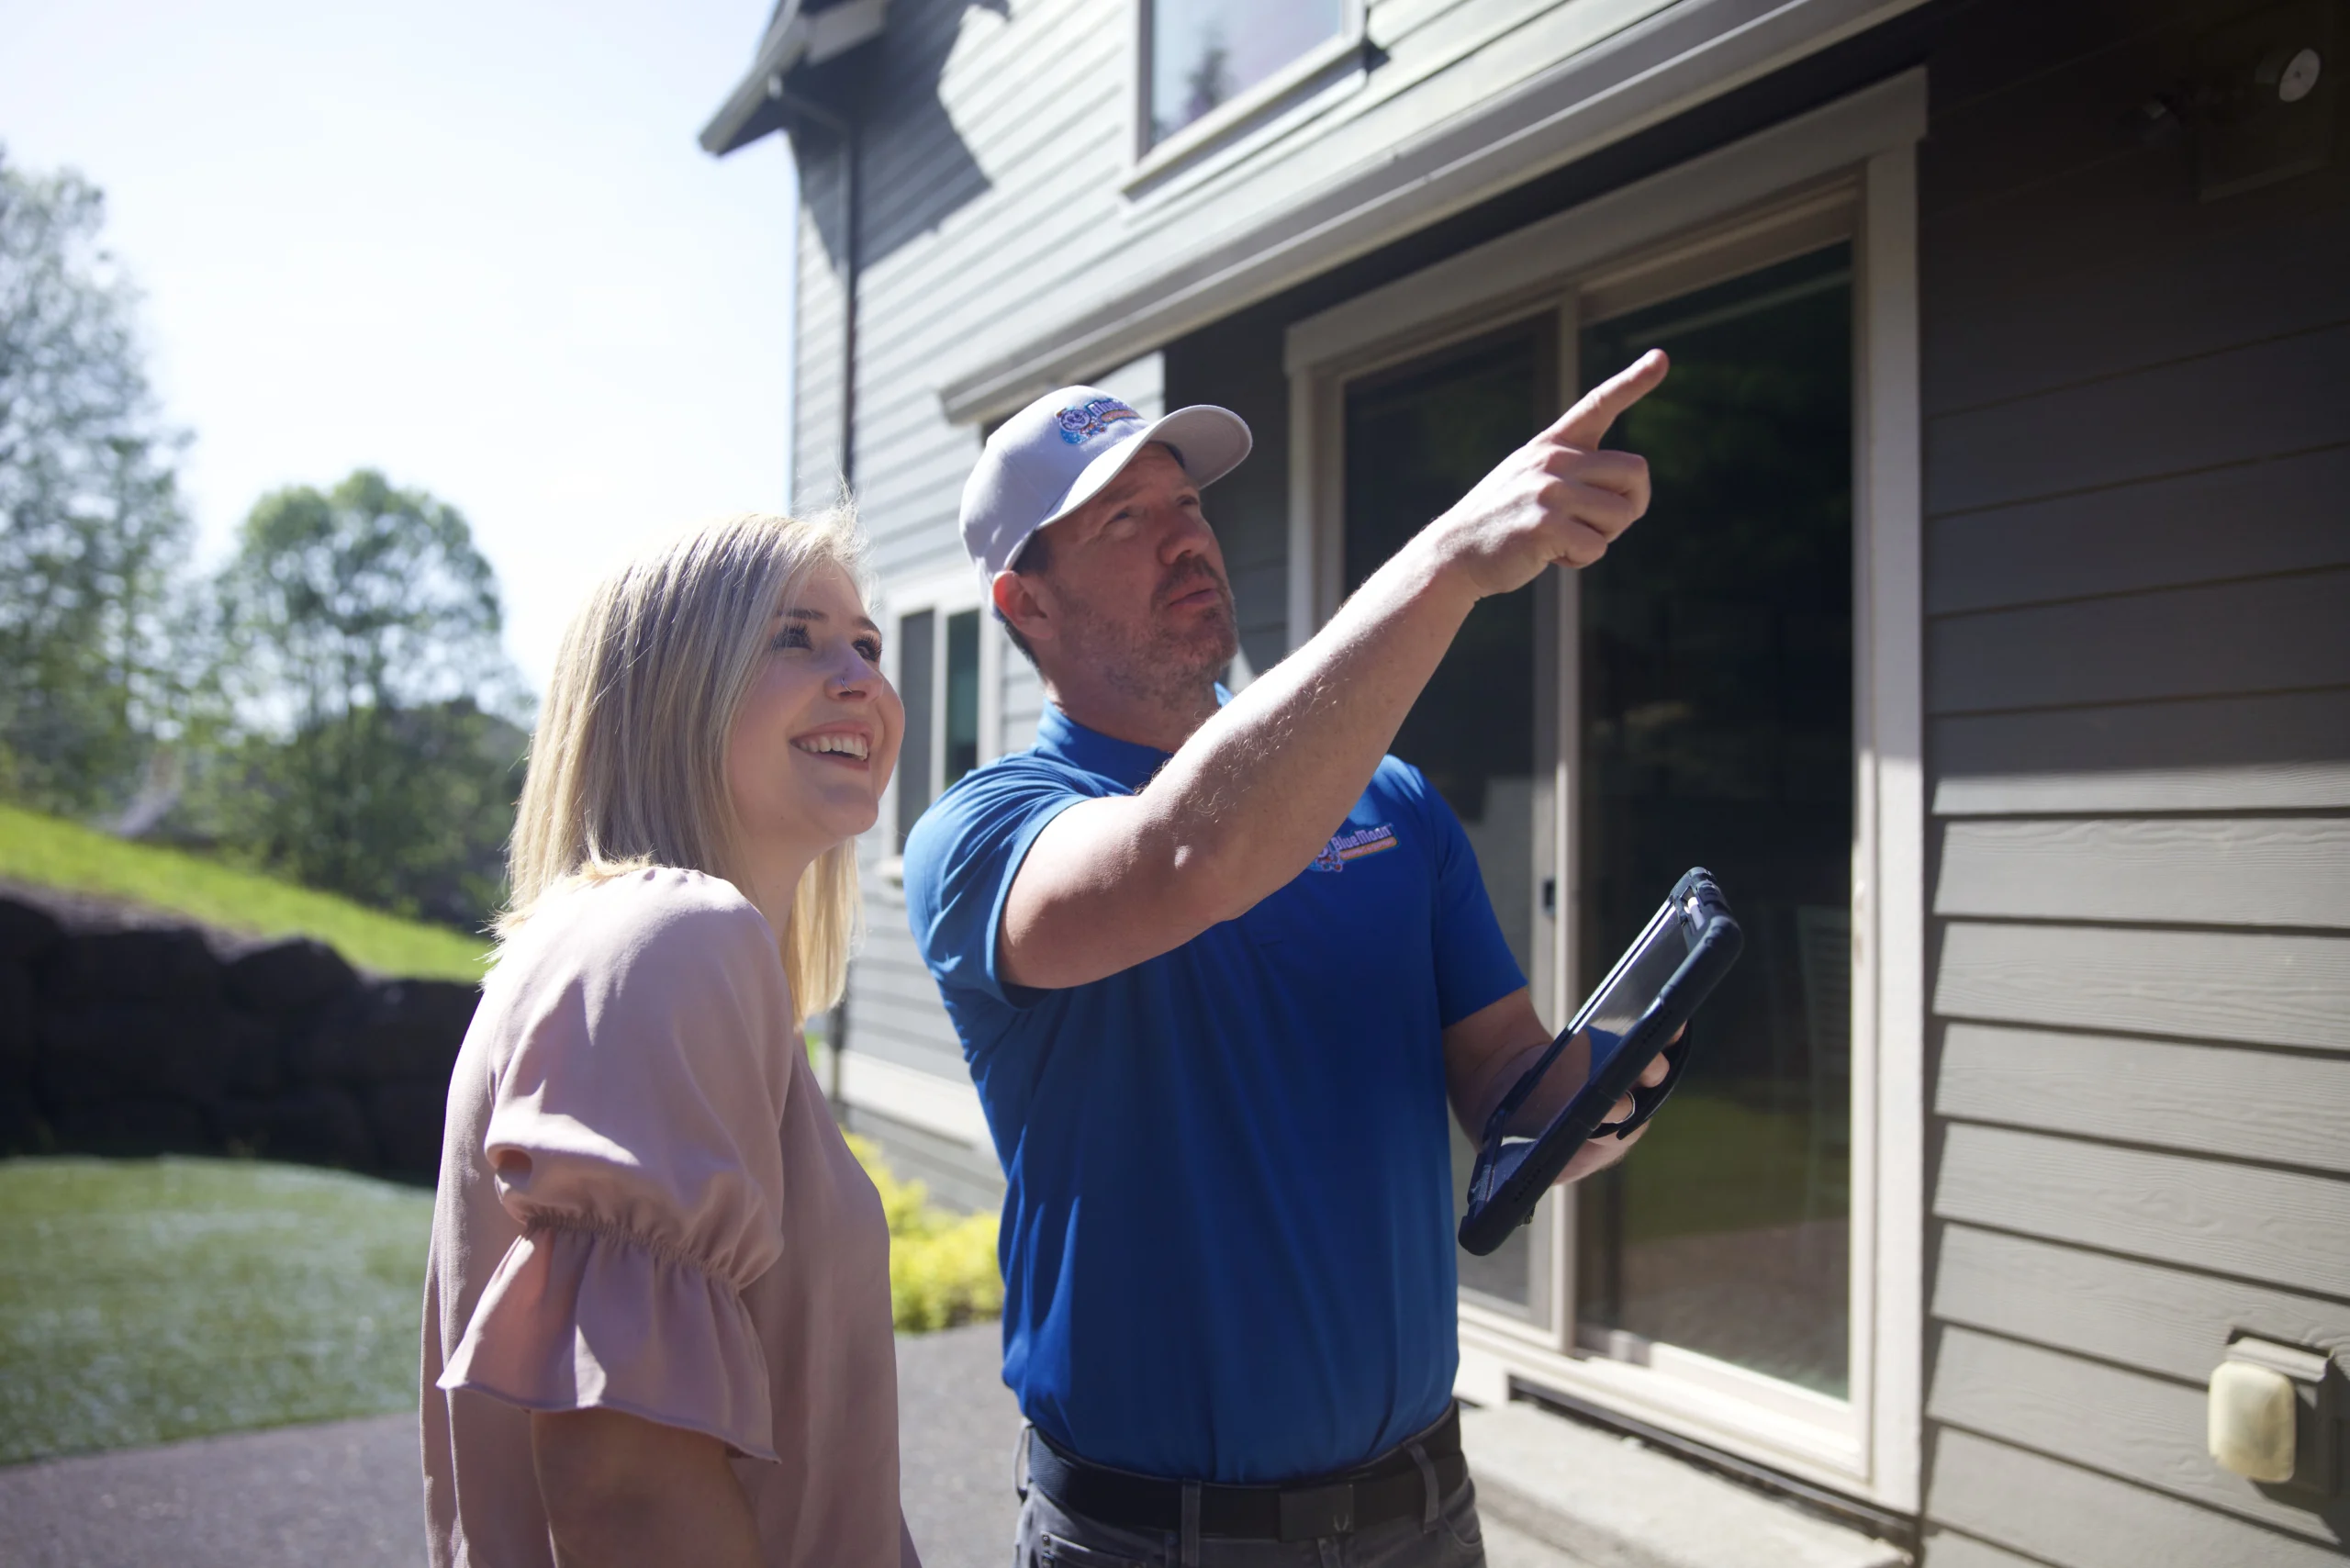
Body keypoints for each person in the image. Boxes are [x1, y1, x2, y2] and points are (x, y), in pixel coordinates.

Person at [903, 353, 1675, 1565]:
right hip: (1151, 1540)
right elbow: (1185, 856)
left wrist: (1589, 1100)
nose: (1184, 541)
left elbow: (1503, 1077)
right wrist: (1445, 565)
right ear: (1024, 606)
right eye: (1123, 519)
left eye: (1189, 506)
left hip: (1424, 1514)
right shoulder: (987, 832)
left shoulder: (1395, 801)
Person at [420, 510, 919, 1568]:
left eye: (867, 645)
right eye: (795, 636)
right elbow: (623, 1490)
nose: (860, 680)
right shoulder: (672, 938)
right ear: (668, 689)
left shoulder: (642, 949)